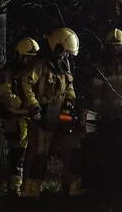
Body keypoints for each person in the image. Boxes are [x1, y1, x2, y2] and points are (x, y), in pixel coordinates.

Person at [20, 27, 83, 198]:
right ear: (57, 47)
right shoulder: (40, 65)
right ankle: (31, 191)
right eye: (65, 53)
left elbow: (70, 87)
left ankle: (70, 187)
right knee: (40, 153)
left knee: (71, 149)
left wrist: (69, 101)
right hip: (43, 115)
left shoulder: (64, 66)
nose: (67, 56)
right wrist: (34, 106)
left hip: (60, 115)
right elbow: (26, 83)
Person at [0, 37, 39, 197]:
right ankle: (14, 188)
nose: (30, 61)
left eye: (33, 58)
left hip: (28, 117)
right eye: (28, 57)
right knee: (18, 152)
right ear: (19, 55)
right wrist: (24, 104)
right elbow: (5, 95)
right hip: (13, 117)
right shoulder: (8, 72)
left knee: (29, 153)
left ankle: (25, 186)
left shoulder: (31, 72)